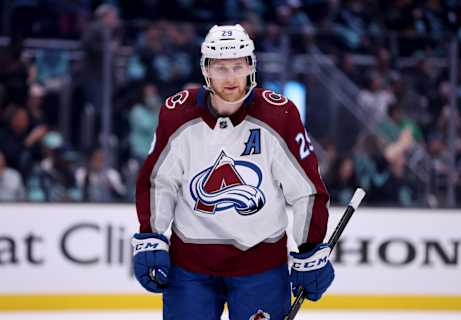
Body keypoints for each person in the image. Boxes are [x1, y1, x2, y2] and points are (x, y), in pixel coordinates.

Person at [131, 24, 334, 320]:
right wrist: (151, 235)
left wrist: (311, 246)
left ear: (251, 66)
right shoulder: (177, 114)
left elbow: (306, 190)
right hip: (190, 266)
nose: (230, 78)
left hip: (260, 267)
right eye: (221, 68)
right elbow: (158, 181)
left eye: (238, 66)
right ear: (206, 71)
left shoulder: (281, 116)